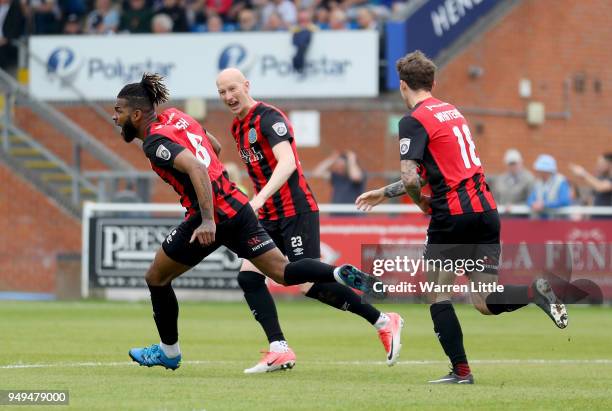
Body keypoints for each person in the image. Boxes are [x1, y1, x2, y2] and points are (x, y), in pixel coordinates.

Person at [113, 73, 381, 371]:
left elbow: (198, 169)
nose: (115, 117)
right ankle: (339, 273)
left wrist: (206, 220)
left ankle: (169, 352)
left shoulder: (153, 142)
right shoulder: (177, 116)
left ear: (136, 114)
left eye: (118, 111)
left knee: (156, 278)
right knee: (283, 272)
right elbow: (212, 146)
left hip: (211, 216)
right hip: (238, 206)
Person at [355, 51, 568, 384]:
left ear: (402, 86)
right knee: (483, 299)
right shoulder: (452, 112)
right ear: (433, 82)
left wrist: (420, 202)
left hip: (454, 216)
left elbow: (413, 177)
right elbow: (438, 168)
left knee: (436, 292)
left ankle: (462, 371)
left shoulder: (413, 120)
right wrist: (386, 192)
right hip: (485, 211)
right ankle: (533, 292)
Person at [216, 68, 403, 373]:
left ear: (246, 85)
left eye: (233, 89)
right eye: (222, 92)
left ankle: (379, 316)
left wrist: (259, 198)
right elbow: (259, 171)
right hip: (268, 216)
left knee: (300, 280)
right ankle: (280, 348)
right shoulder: (238, 128)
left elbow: (288, 162)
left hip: (295, 209)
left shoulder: (268, 117)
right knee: (249, 276)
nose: (228, 97)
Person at [527, 154, 571, 218]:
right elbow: (530, 199)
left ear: (548, 171)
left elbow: (564, 201)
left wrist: (545, 204)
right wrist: (532, 204)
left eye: (541, 170)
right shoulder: (538, 183)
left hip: (558, 221)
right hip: (541, 220)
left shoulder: (561, 181)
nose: (538, 172)